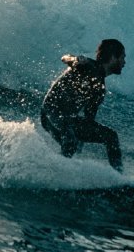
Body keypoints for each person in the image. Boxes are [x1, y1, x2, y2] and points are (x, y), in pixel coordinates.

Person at [41, 39, 126, 172]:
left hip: (68, 118)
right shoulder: (88, 65)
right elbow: (65, 58)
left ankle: (120, 178)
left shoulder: (100, 88)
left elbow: (89, 118)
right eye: (122, 58)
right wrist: (75, 59)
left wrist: (83, 135)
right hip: (50, 113)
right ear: (113, 57)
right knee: (70, 141)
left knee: (111, 137)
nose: (124, 63)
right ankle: (57, 175)